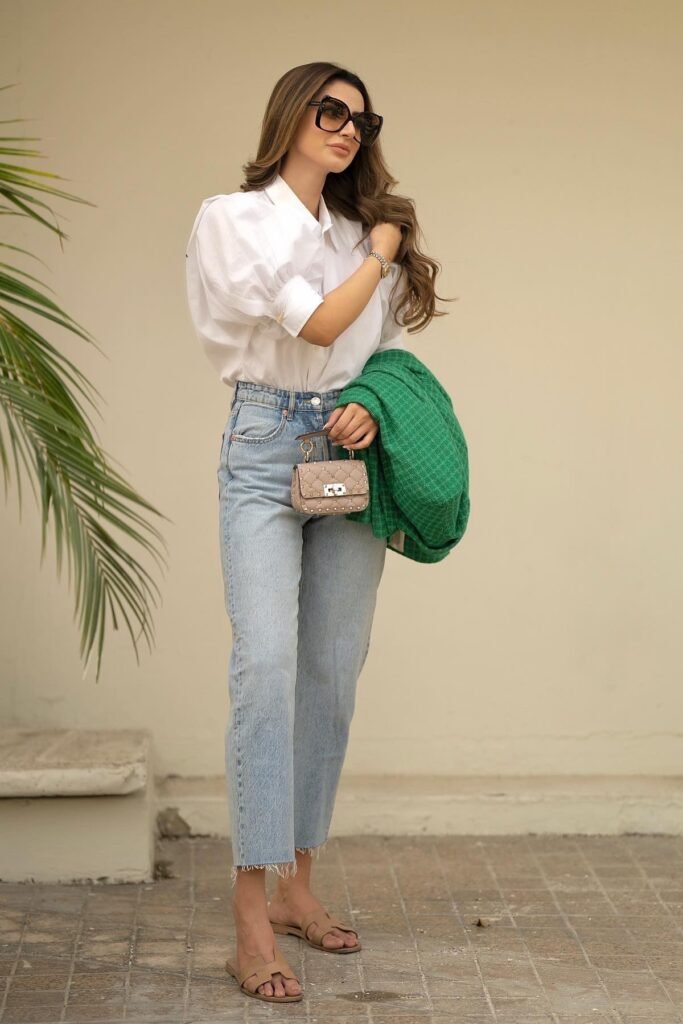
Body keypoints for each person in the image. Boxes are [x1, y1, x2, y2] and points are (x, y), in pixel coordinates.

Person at [185, 60, 444, 1003]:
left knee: (332, 671)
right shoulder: (234, 219)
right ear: (291, 114)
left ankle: (298, 885)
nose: (346, 128)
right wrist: (380, 249)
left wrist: (372, 400)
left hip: (348, 450)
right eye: (330, 110)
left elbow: (379, 349)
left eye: (361, 120)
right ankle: (249, 917)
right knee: (266, 669)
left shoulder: (352, 230)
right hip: (264, 448)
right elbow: (319, 324)